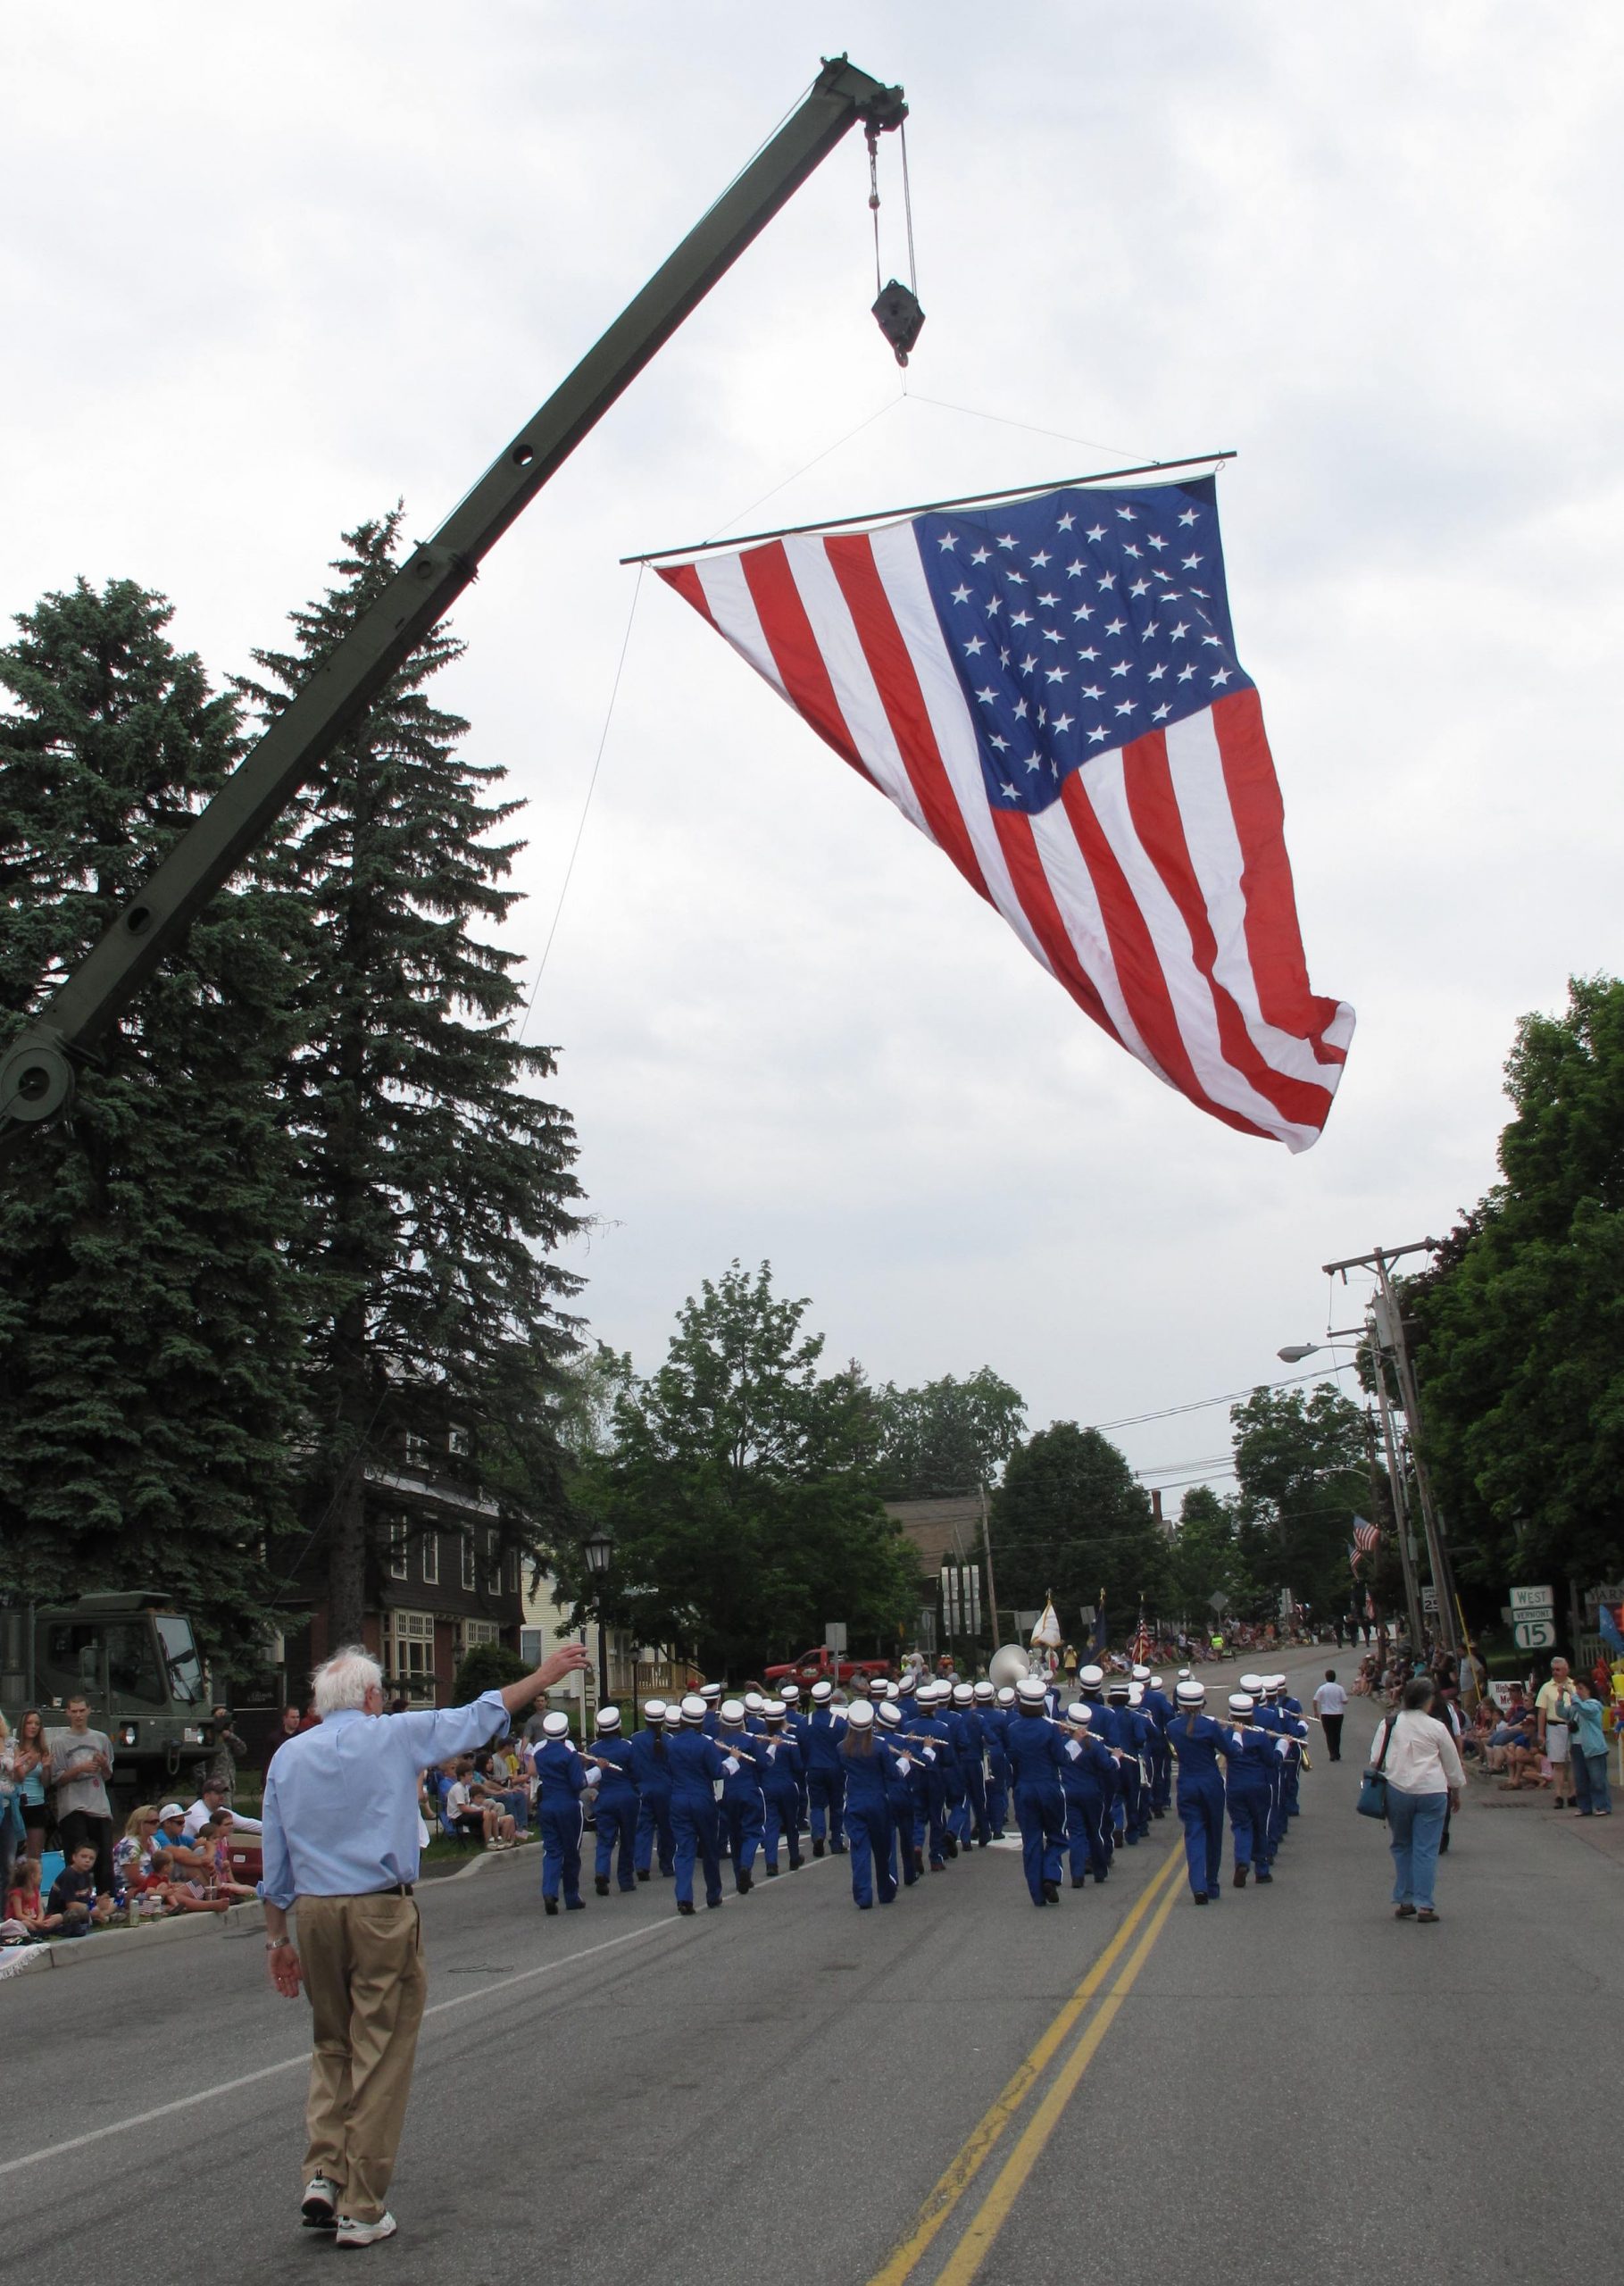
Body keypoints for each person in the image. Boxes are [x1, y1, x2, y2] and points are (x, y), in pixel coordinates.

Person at [259, 1636, 588, 2249]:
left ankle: (324, 2173)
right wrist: (541, 1674)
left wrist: (276, 1937)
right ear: (371, 1696)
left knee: (331, 2043)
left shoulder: (287, 1758)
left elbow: (274, 1859)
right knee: (379, 2048)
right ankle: (361, 2203)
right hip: (380, 1906)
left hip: (314, 1912)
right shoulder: (392, 1734)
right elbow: (477, 1717)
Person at [1370, 1674, 1464, 1924]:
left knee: (1402, 1845)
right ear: (1428, 1700)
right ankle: (1425, 1903)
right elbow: (1452, 1763)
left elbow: (1375, 1759)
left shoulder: (1389, 1724)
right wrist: (1455, 1790)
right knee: (1426, 1848)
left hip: (1398, 1788)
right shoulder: (1437, 1727)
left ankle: (1405, 1898)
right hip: (1432, 1790)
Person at [1004, 1676, 1069, 1907]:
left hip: (1024, 1788)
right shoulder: (1050, 1728)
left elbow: (1010, 1758)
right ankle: (1051, 1875)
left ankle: (1037, 1893)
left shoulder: (1012, 1729)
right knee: (1057, 1835)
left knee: (1031, 1841)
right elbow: (1061, 1759)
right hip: (1049, 1786)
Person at [46, 1696, 116, 1894]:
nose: (78, 1715)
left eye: (81, 1711)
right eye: (74, 1711)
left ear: (89, 1711)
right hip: (73, 1806)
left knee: (103, 1858)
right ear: (68, 1713)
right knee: (76, 1856)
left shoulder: (100, 1738)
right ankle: (76, 1899)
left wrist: (103, 1764)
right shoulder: (60, 1742)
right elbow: (56, 1779)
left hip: (99, 1805)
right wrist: (80, 1769)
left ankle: (107, 1899)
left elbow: (108, 1775)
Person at [530, 1713, 590, 1911]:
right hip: (568, 1806)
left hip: (547, 1805)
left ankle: (549, 1891)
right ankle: (571, 1896)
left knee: (552, 1850)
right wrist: (595, 1771)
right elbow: (578, 1783)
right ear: (565, 1733)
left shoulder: (539, 1755)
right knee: (571, 1852)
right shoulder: (570, 1755)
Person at [1561, 1679, 1612, 1815]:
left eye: (1581, 1688)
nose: (1578, 1692)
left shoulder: (1594, 1705)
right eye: (1577, 1689)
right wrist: (1560, 1697)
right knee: (1580, 1779)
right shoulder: (1575, 1707)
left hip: (1593, 1747)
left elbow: (1585, 1710)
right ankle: (1584, 1807)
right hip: (1577, 1746)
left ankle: (1602, 1805)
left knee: (1597, 1779)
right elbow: (1562, 1713)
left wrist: (1573, 1695)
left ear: (1589, 1690)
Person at [11, 1709, 52, 1864]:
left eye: (37, 1724)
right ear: (23, 1725)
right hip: (17, 1803)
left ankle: (34, 1886)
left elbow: (46, 1783)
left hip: (37, 1803)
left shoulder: (42, 1751)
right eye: (29, 1723)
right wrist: (29, 1767)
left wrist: (46, 1767)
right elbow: (16, 1778)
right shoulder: (14, 1748)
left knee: (35, 1855)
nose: (33, 1727)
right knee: (14, 1853)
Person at [1535, 1658, 1577, 1806]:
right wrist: (1541, 1733)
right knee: (1558, 1763)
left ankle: (1573, 1794)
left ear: (1566, 1670)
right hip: (1554, 1726)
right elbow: (1542, 1712)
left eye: (1558, 1669)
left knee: (1572, 1762)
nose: (1555, 1672)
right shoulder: (1546, 1687)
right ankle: (1558, 1795)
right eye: (1553, 1669)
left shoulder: (1574, 1686)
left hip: (1572, 1727)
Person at [47, 1842, 113, 1934]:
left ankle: (98, 1917)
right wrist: (95, 1907)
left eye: (91, 1858)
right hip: (63, 1912)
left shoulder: (85, 1873)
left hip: (83, 1908)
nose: (87, 1860)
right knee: (85, 1911)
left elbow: (86, 1898)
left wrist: (99, 1900)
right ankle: (101, 1917)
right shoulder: (69, 1875)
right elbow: (71, 1905)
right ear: (74, 1857)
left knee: (112, 1903)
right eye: (83, 1856)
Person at [186, 1776, 263, 1838]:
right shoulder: (197, 1811)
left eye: (223, 1793)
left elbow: (246, 1823)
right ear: (207, 1796)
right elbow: (210, 1834)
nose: (222, 1796)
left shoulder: (219, 1810)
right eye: (218, 1793)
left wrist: (272, 1828)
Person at [1312, 1670, 1347, 1762]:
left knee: (1329, 1734)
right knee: (1337, 1734)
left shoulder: (1322, 1688)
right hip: (1338, 1713)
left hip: (1326, 1714)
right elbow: (1345, 1701)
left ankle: (1331, 1753)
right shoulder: (1340, 1688)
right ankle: (1337, 1752)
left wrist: (1316, 1712)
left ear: (1326, 1677)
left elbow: (1315, 1700)